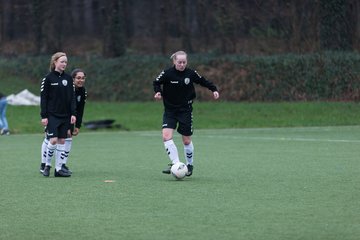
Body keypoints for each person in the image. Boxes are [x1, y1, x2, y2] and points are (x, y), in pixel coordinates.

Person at [153, 50, 220, 176]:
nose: (182, 64)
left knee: (186, 141)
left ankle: (189, 165)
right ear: (174, 61)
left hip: (185, 111)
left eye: (184, 62)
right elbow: (156, 82)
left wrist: (213, 89)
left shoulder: (191, 73)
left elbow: (203, 81)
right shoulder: (167, 73)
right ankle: (176, 164)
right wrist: (158, 92)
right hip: (170, 111)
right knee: (166, 136)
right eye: (179, 62)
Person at [40, 68, 87, 175]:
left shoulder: (83, 91)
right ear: (73, 79)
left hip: (69, 117)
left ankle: (61, 165)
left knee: (68, 137)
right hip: (56, 115)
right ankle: (44, 164)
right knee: (50, 138)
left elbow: (80, 109)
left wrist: (77, 125)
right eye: (78, 78)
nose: (81, 80)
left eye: (83, 78)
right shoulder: (66, 86)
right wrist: (46, 115)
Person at [40, 52, 76, 177]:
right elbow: (43, 98)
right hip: (52, 115)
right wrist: (44, 116)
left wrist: (73, 113)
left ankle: (58, 169)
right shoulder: (48, 78)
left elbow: (72, 98)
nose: (64, 64)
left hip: (65, 115)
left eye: (66, 62)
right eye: (62, 61)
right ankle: (47, 166)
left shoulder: (68, 79)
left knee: (62, 140)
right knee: (53, 140)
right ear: (55, 62)